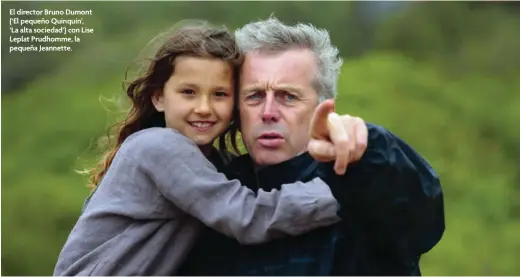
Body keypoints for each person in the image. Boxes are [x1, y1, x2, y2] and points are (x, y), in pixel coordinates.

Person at [52, 20, 370, 276]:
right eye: (188, 92)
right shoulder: (159, 147)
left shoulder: (214, 162)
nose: (204, 108)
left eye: (219, 94)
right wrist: (342, 193)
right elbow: (248, 216)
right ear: (159, 97)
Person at [177, 17, 445, 276]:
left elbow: (420, 222)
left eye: (288, 96)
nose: (268, 112)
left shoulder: (358, 192)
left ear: (323, 107)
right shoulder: (208, 194)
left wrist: (369, 148)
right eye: (255, 95)